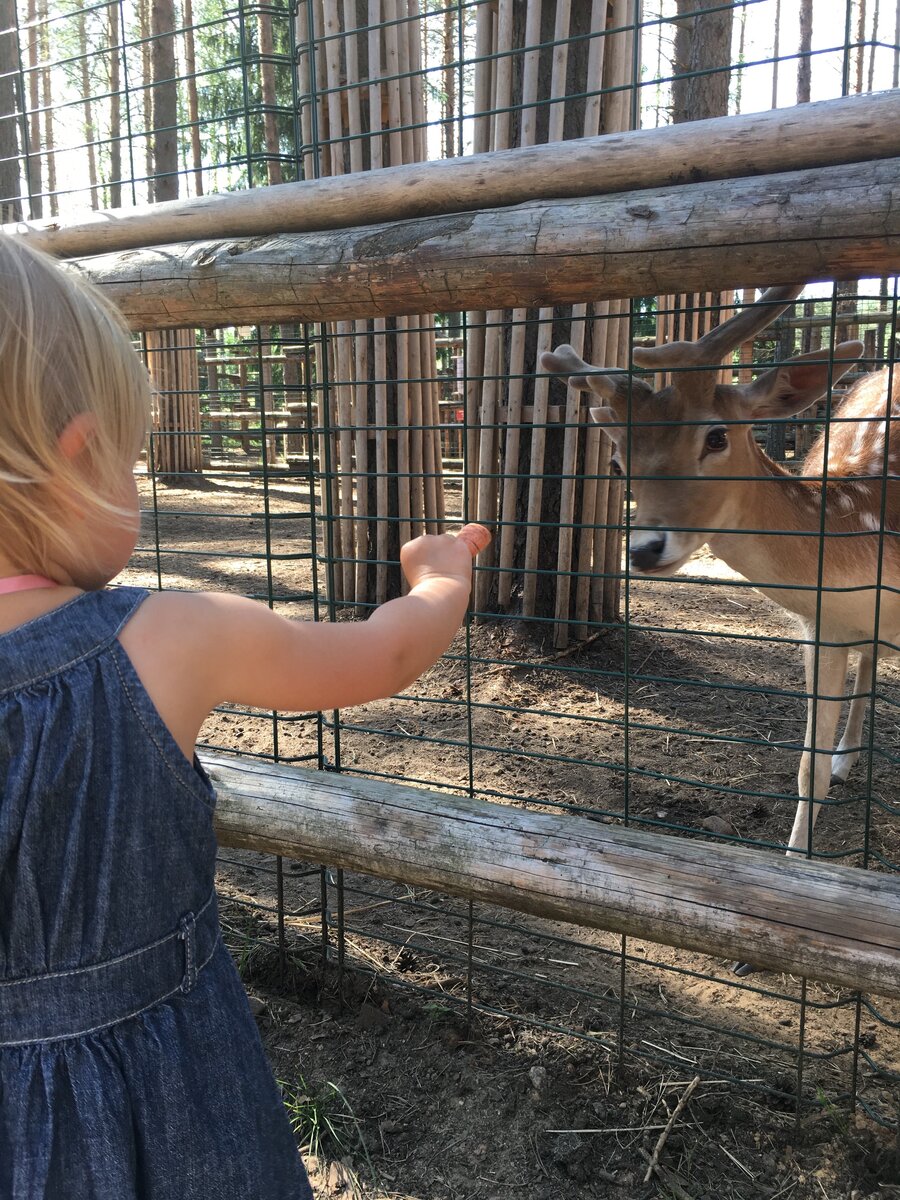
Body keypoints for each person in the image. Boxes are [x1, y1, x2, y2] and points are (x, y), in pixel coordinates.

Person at [0, 234, 491, 1199]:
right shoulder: (167, 638)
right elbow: (381, 655)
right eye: (132, 462)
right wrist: (441, 580)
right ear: (77, 455)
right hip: (167, 1095)